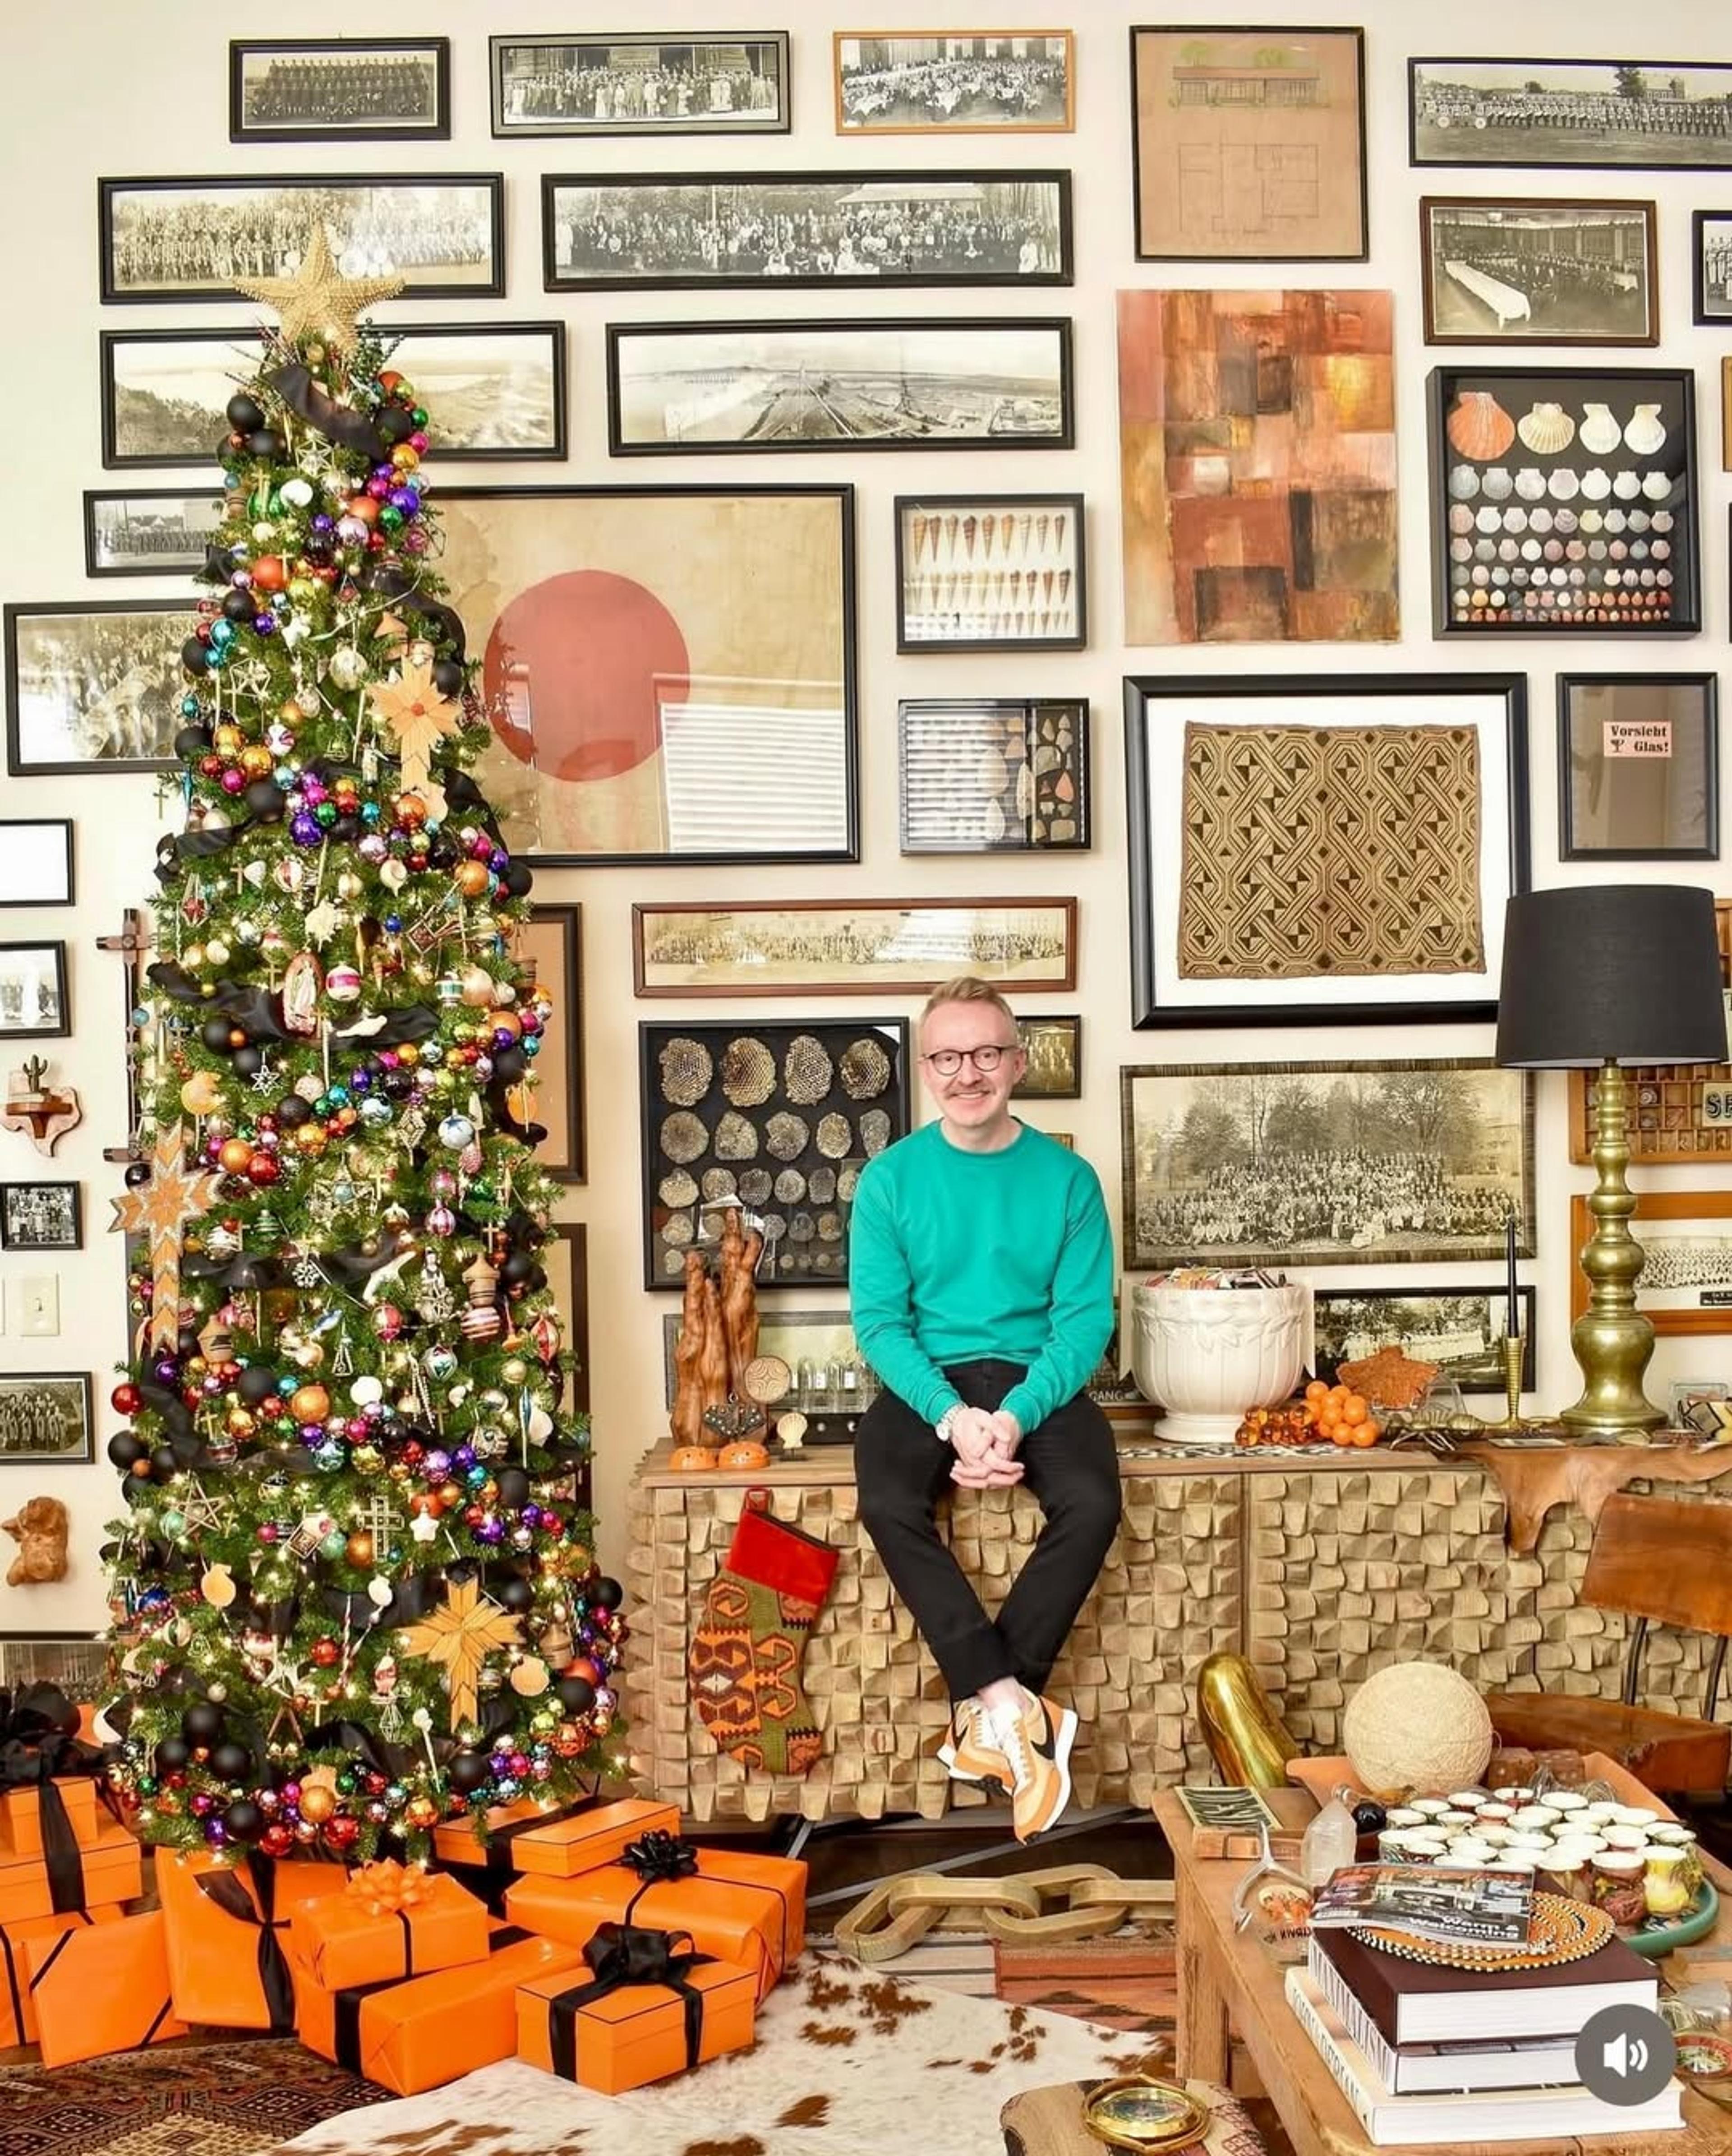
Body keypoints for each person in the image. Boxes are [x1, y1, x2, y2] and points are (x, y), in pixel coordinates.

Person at [849, 975, 1119, 1842]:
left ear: (1018, 1062)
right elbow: (881, 1325)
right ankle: (1011, 1705)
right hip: (924, 1377)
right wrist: (952, 1416)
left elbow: (1084, 1325)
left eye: (987, 1053)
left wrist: (1017, 1415)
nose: (969, 1073)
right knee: (888, 1500)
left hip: (1039, 1375)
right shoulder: (890, 1183)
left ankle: (992, 1708)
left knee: (1095, 1500)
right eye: (949, 1057)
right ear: (925, 1070)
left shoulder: (1069, 1180)